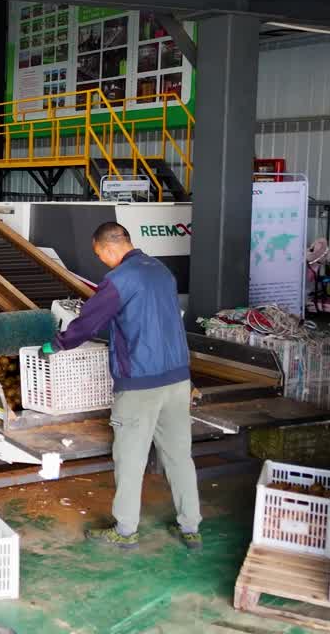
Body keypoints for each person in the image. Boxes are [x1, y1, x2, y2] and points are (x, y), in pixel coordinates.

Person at [41, 222, 201, 550]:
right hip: (178, 379)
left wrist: (57, 344)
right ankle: (191, 527)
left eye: (100, 255)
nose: (102, 261)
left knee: (130, 459)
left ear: (109, 247)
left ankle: (125, 530)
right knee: (179, 456)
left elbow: (88, 322)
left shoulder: (119, 280)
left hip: (140, 383)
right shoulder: (161, 271)